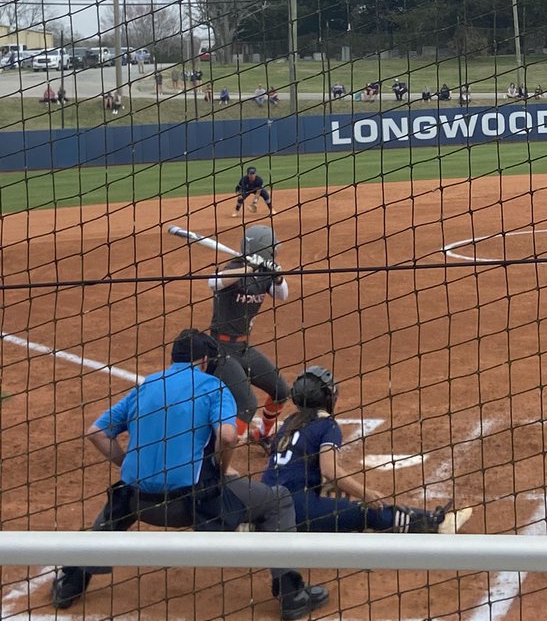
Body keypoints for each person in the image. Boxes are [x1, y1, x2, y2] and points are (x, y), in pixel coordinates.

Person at [49, 329, 329, 619]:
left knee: (119, 499)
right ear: (204, 360)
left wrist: (129, 464)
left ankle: (70, 583)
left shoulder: (144, 387)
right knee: (277, 500)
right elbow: (228, 436)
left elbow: (96, 432)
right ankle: (291, 594)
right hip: (192, 507)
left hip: (139, 504)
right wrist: (220, 469)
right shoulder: (214, 388)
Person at [262, 366, 450, 535]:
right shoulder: (327, 425)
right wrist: (364, 493)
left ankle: (256, 524)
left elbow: (285, 465)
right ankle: (434, 523)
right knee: (368, 511)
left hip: (266, 507)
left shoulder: (289, 422)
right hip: (298, 511)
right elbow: (330, 470)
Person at [208, 226, 291, 446]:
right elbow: (213, 282)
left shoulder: (265, 274)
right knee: (246, 403)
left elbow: (283, 296)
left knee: (280, 390)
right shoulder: (233, 268)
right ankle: (216, 458)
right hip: (220, 350)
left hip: (244, 349)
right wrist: (247, 268)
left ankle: (263, 433)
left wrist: (277, 276)